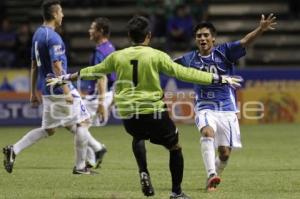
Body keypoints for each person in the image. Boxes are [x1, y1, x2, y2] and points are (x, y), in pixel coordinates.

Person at [47, 16, 243, 199]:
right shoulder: (157, 55)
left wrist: (65, 77)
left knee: (138, 137)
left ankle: (143, 171)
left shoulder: (117, 56)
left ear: (129, 37)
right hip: (154, 113)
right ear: (148, 36)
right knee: (175, 147)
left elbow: (93, 71)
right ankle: (176, 192)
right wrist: (218, 77)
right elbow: (186, 74)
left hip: (128, 115)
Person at [174, 14, 277, 191]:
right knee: (207, 133)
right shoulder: (189, 59)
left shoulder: (225, 52)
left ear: (213, 38)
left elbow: (245, 42)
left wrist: (260, 29)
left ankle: (215, 175)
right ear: (195, 39)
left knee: (224, 153)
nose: (202, 38)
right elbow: (168, 65)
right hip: (205, 106)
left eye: (206, 35)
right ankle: (211, 175)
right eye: (199, 36)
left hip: (227, 108)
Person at [2, 0, 101, 175]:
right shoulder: (53, 37)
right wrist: (66, 90)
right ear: (55, 14)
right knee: (83, 122)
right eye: (61, 12)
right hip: (60, 89)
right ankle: (80, 167)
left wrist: (33, 92)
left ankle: (14, 149)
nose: (62, 15)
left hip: (47, 90)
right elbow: (57, 66)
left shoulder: (37, 34)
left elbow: (33, 65)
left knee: (49, 130)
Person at [81, 17, 116, 168]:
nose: (89, 31)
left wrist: (101, 102)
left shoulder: (100, 52)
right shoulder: (111, 48)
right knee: (82, 127)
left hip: (98, 95)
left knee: (77, 125)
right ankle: (91, 158)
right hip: (107, 93)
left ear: (100, 31)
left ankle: (97, 150)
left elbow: (101, 78)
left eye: (92, 28)